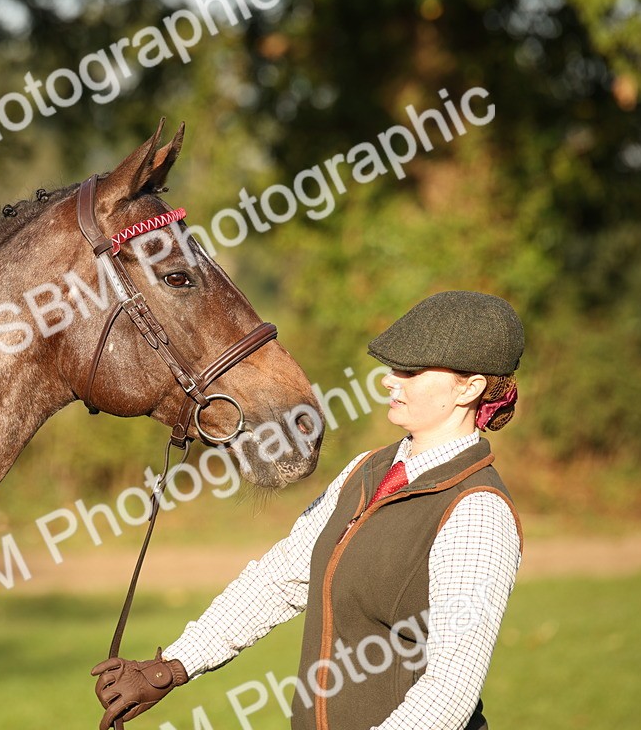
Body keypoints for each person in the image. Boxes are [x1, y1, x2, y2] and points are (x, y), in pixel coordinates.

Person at [92, 290, 525, 730]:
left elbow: (450, 690)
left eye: (411, 371)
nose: (389, 381)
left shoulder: (477, 511)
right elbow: (282, 578)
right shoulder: (365, 470)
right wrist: (173, 668)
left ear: (469, 388)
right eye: (394, 367)